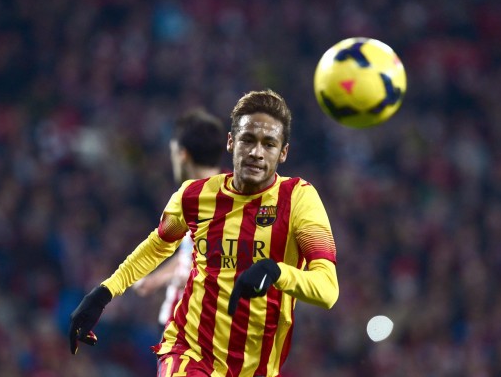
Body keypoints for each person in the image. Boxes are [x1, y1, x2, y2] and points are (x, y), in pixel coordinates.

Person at [69, 89, 339, 377]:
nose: (256, 152)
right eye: (247, 140)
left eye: (269, 144)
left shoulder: (298, 198)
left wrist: (276, 272)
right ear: (231, 142)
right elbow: (158, 245)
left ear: (283, 152)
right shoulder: (195, 196)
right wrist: (105, 292)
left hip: (258, 368)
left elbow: (327, 289)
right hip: (189, 353)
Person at [133, 108, 226, 327]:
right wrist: (155, 280)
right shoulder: (203, 195)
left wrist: (170, 279)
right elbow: (192, 254)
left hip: (195, 327)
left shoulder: (215, 201)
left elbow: (217, 267)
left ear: (182, 154)